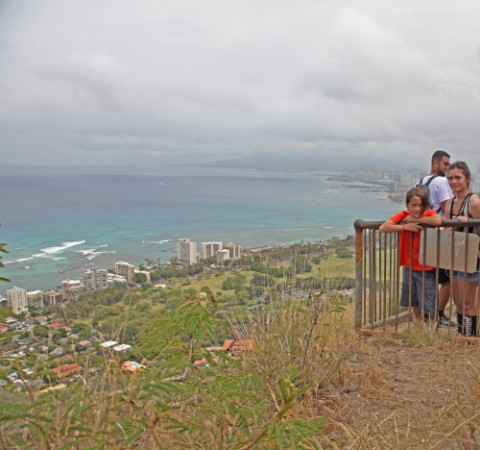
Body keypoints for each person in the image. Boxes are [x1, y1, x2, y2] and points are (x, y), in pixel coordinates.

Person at [380, 187, 442, 321]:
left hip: (426, 267)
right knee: (414, 302)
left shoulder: (428, 214)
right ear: (407, 205)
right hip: (409, 265)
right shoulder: (403, 215)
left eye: (420, 205)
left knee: (429, 303)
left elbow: (438, 221)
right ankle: (418, 329)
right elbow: (383, 227)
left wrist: (417, 220)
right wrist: (404, 226)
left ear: (425, 205)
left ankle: (431, 331)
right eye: (413, 205)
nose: (417, 209)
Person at [418, 150, 454, 326]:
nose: (447, 168)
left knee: (428, 276)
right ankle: (438, 314)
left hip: (424, 235)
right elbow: (448, 210)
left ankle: (426, 315)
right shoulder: (442, 181)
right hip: (440, 234)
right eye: (445, 164)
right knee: (448, 278)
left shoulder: (422, 181)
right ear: (435, 163)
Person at [445, 161, 480, 336]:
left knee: (468, 302)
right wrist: (457, 225)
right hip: (455, 257)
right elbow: (447, 229)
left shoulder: (473, 202)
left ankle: (470, 337)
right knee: (458, 301)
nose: (454, 182)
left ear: (467, 179)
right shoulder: (449, 203)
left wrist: (470, 222)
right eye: (450, 178)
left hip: (472, 257)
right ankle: (462, 335)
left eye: (458, 177)